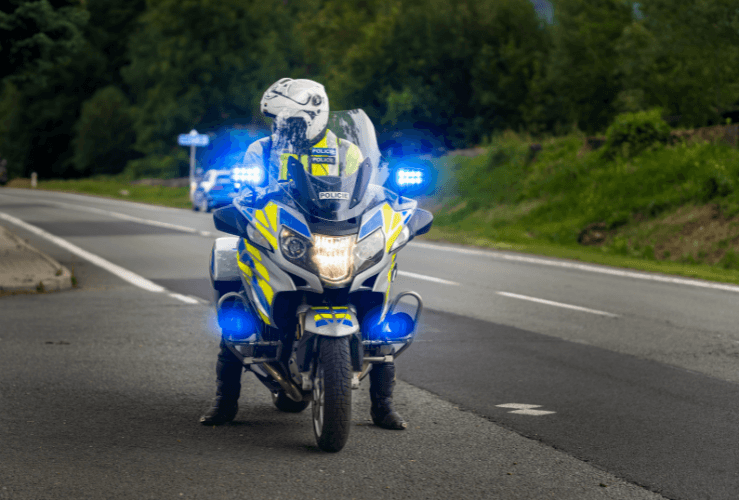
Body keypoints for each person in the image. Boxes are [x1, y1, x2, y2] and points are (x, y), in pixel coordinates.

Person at [200, 78, 407, 430]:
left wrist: (394, 207)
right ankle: (225, 401)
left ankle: (383, 406)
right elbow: (245, 195)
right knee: (235, 309)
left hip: (336, 237)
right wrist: (238, 206)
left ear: (313, 114)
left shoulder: (348, 150)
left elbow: (370, 190)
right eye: (275, 118)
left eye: (286, 118)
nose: (278, 125)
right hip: (284, 236)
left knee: (378, 318)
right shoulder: (261, 151)